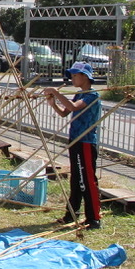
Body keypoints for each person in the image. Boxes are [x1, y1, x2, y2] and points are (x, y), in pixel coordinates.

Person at [43, 61, 102, 229]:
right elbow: (64, 112)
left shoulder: (92, 95)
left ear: (85, 77)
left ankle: (94, 218)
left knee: (87, 180)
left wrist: (55, 91)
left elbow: (74, 107)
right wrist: (53, 103)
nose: (73, 78)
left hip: (86, 142)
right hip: (75, 141)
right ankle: (71, 214)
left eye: (75, 75)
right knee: (76, 179)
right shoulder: (79, 95)